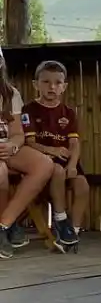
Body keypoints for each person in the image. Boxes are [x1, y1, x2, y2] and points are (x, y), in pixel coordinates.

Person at [23, 60, 89, 243]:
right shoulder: (28, 110)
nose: (52, 87)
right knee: (57, 171)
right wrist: (51, 150)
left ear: (64, 87)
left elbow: (74, 143)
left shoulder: (68, 113)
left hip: (66, 160)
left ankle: (73, 232)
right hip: (42, 161)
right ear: (36, 84)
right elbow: (29, 142)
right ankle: (60, 220)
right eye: (46, 82)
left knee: (82, 185)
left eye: (58, 83)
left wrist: (73, 165)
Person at [0, 49, 54, 258]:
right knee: (1, 171)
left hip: (5, 147)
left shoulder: (10, 94)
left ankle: (4, 224)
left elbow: (17, 133)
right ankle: (7, 228)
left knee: (44, 165)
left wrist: (12, 146)